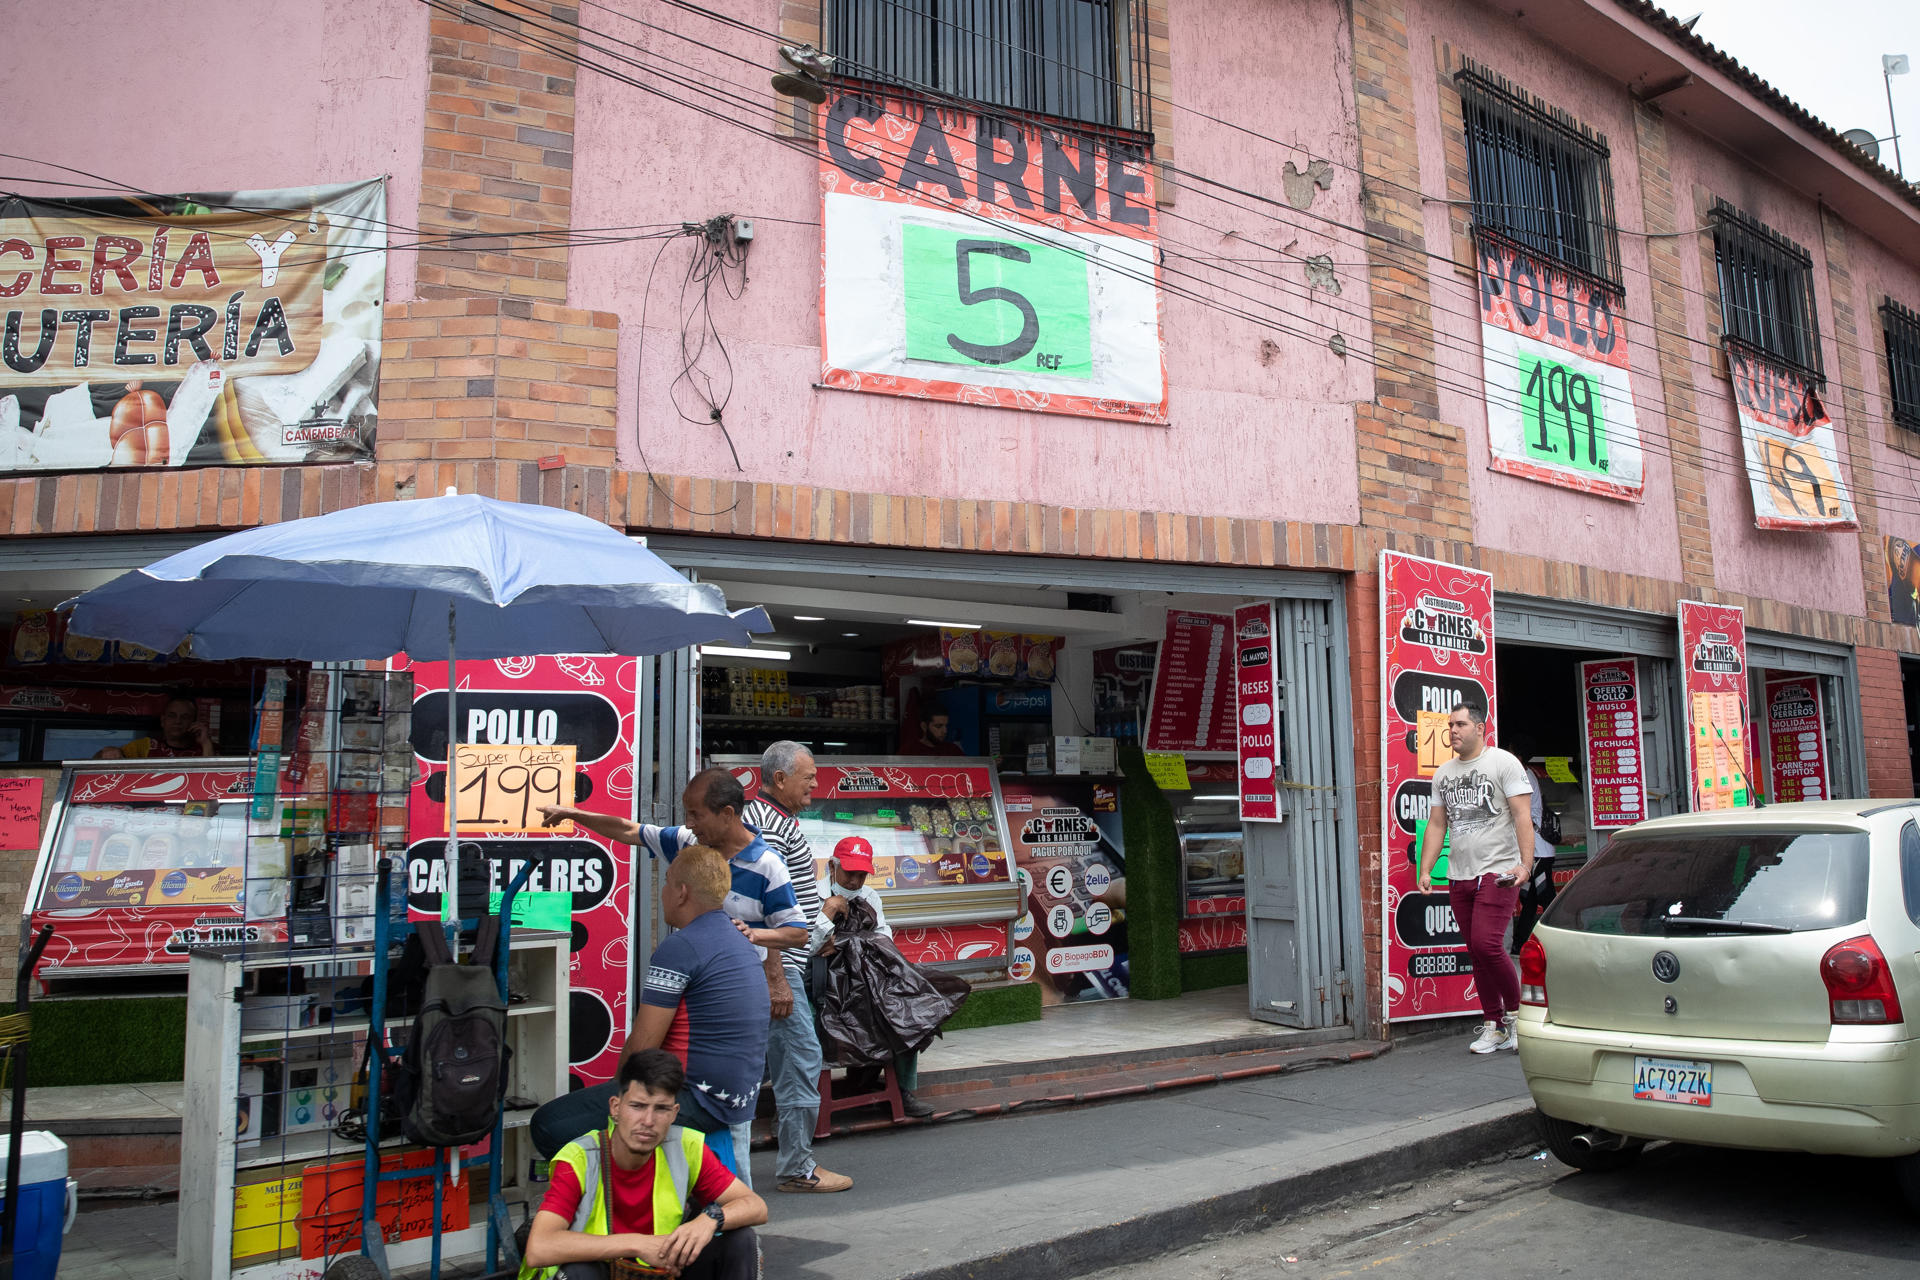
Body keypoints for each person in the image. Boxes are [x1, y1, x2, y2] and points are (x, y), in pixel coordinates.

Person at [538, 768, 853, 1192]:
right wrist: (575, 814)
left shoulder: (766, 865)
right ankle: (722, 1189)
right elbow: (632, 831)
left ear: (726, 814)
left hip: (756, 976)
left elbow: (796, 930)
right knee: (722, 1071)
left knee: (794, 1062)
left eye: (694, 813)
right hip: (703, 985)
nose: (688, 823)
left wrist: (755, 938)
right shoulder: (691, 845)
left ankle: (791, 1169)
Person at [528, 847, 768, 1176]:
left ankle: (616, 1205)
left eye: (667, 884)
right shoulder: (740, 939)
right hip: (738, 1100)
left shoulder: (682, 946)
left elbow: (643, 1046)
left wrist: (621, 1099)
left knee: (548, 1125)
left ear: (682, 892)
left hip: (696, 1098)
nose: (664, 893)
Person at [520, 1048, 767, 1280]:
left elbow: (755, 1206)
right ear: (615, 1108)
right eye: (637, 1106)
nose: (648, 1121)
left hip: (663, 1270)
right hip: (606, 1270)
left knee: (741, 1240)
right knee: (579, 1271)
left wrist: (710, 1218)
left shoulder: (686, 1146)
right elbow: (539, 1248)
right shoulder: (580, 1158)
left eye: (661, 1109)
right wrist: (638, 1243)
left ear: (674, 1113)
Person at [739, 742, 851, 1194]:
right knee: (802, 1060)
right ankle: (797, 1169)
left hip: (785, 960)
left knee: (776, 1063)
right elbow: (762, 907)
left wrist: (814, 937)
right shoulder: (764, 824)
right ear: (780, 778)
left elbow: (790, 903)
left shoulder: (777, 819)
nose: (814, 784)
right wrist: (777, 976)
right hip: (775, 967)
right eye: (807, 776)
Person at [1417, 702, 1533, 1055]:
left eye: (1461, 725)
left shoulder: (1503, 762)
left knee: (1487, 944)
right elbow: (1437, 825)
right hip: (1460, 874)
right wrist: (1426, 868)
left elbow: (1522, 815)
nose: (1453, 731)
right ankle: (1492, 1025)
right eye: (1450, 725)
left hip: (1498, 870)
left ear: (1480, 728)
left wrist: (1525, 866)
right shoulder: (1443, 774)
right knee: (1476, 953)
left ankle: (1516, 1019)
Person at [806, 836, 935, 1118]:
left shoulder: (870, 898)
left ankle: (902, 1090)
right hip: (826, 988)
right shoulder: (811, 895)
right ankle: (859, 1080)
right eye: (849, 873)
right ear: (832, 866)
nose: (854, 881)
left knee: (906, 1011)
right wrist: (827, 914)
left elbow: (884, 935)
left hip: (866, 982)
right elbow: (807, 946)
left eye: (861, 874)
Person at [1509, 752, 1558, 957]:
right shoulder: (1526, 774)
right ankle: (1519, 945)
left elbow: (1522, 813)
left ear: (1518, 754)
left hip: (1538, 851)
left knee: (1546, 897)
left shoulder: (1524, 776)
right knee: (1529, 900)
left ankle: (1563, 935)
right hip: (1537, 850)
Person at [96, 695, 213, 759]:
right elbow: (97, 761)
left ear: (194, 722)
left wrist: (205, 743)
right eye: (172, 716)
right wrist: (107, 753)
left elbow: (213, 778)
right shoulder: (146, 746)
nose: (178, 721)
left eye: (185, 717)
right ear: (163, 721)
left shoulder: (207, 747)